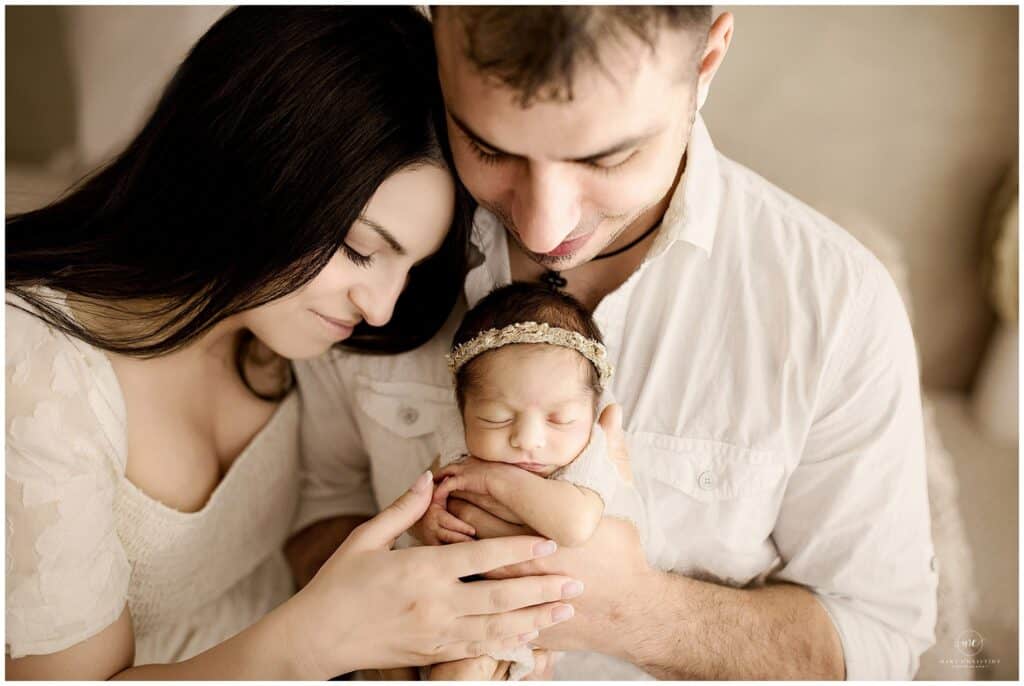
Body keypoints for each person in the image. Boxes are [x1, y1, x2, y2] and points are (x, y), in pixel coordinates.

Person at [291, 5, 938, 681]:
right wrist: (387, 646)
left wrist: (633, 610)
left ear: (706, 62)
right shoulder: (365, 230)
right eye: (489, 146)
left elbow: (877, 637)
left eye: (607, 156)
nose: (543, 229)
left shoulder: (835, 304)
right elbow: (316, 510)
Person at [4, 7, 581, 679]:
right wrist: (322, 639)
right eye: (363, 251)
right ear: (258, 170)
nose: (381, 306)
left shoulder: (284, 335)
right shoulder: (33, 373)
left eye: (411, 268)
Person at [404, 283, 646, 681]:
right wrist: (427, 521)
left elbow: (574, 525)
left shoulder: (588, 459)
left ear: (592, 412)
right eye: (496, 418)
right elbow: (417, 504)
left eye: (560, 419)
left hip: (530, 623)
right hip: (446, 606)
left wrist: (493, 478)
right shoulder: (457, 448)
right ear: (462, 413)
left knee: (466, 671)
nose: (527, 440)